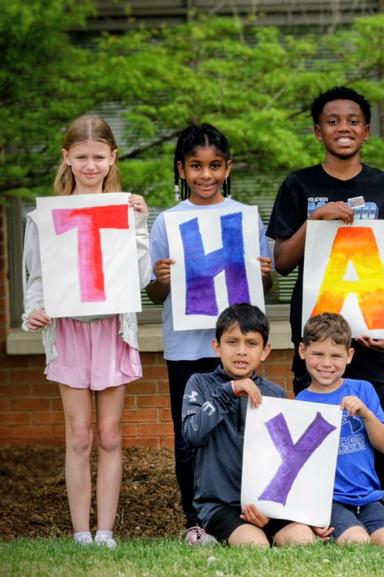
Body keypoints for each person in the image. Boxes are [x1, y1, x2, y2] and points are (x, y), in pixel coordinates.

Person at [267, 86, 384, 497]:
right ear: (318, 131)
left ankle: (377, 504)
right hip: (318, 337)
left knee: (377, 421)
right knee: (316, 424)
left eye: (353, 121)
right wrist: (315, 219)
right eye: (332, 121)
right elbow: (281, 261)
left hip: (372, 333)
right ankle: (318, 507)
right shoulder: (298, 185)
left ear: (366, 131)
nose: (343, 128)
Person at [22, 115, 150, 549]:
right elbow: (36, 278)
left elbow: (142, 278)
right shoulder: (44, 218)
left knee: (111, 434)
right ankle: (80, 532)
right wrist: (33, 311)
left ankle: (106, 532)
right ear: (67, 158)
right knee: (79, 435)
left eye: (98, 156)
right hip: (69, 332)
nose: (90, 165)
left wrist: (140, 227)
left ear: (113, 157)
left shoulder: (126, 209)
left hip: (113, 328)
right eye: (82, 157)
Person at [146, 124, 273, 545]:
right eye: (196, 166)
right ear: (181, 169)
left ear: (228, 167)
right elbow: (154, 293)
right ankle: (195, 521)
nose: (206, 175)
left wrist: (266, 275)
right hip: (187, 345)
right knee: (192, 436)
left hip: (238, 348)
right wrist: (161, 278)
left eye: (215, 166)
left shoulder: (247, 216)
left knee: (244, 429)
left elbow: (261, 292)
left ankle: (246, 511)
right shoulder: (167, 221)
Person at [182, 303, 330, 547]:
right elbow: (192, 435)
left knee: (303, 540)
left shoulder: (275, 393)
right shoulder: (199, 384)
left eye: (251, 343)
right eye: (232, 342)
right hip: (220, 505)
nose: (241, 351)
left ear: (265, 351)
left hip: (268, 505)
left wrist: (305, 514)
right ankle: (203, 534)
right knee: (255, 545)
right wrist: (228, 391)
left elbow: (290, 461)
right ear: (216, 347)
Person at [294, 313, 384, 546]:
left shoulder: (363, 390)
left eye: (336, 355)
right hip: (330, 501)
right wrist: (311, 514)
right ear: (302, 351)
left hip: (369, 497)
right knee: (357, 540)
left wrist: (366, 414)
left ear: (349, 355)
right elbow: (301, 467)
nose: (326, 363)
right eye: (318, 354)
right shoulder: (301, 402)